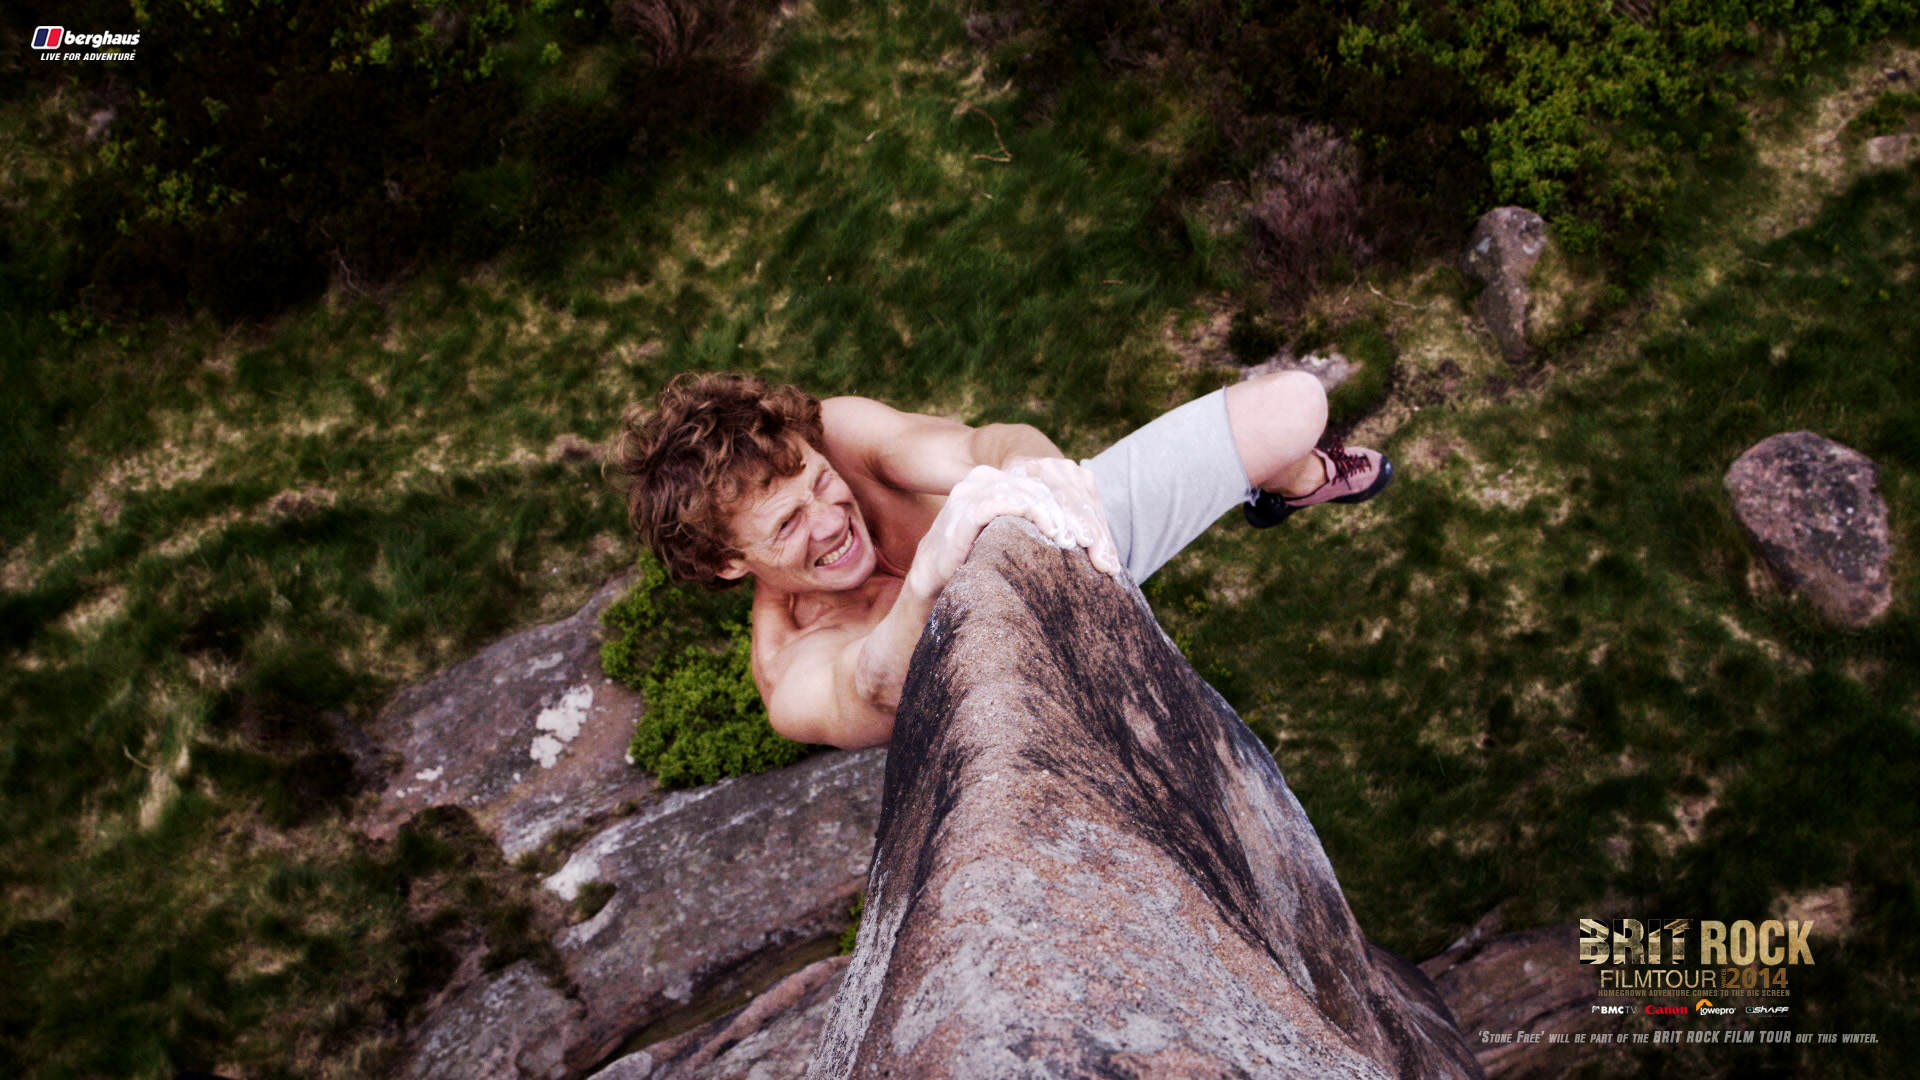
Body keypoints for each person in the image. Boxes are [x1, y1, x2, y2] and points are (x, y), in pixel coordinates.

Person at [608, 371, 1391, 750]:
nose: (831, 520)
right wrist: (929, 573)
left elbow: (986, 444)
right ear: (726, 563)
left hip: (1061, 537)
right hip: (1029, 695)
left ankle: (1287, 483)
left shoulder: (838, 434)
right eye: (786, 525)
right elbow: (870, 686)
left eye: (819, 482)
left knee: (1293, 405)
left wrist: (1041, 478)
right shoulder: (789, 673)